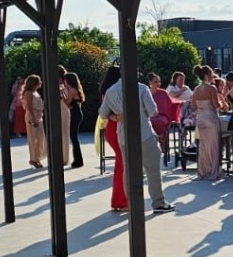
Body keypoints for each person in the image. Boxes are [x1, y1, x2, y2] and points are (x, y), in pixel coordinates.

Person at [98, 69, 173, 213]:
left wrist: (117, 117)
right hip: (144, 133)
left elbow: (102, 113)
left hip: (123, 135)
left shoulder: (110, 91)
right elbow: (153, 111)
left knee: (128, 170)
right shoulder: (142, 88)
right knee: (153, 170)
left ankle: (132, 203)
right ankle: (158, 203)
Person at [99, 66, 127, 211]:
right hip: (116, 128)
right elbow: (105, 113)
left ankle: (119, 200)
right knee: (123, 164)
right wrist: (117, 117)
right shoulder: (112, 92)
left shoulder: (108, 92)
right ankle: (121, 201)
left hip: (112, 128)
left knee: (120, 163)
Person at [192, 65, 224, 181]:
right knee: (213, 146)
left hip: (200, 119)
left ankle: (203, 171)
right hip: (210, 118)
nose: (213, 76)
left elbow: (193, 106)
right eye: (211, 74)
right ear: (206, 75)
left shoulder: (196, 89)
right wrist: (221, 103)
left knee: (203, 146)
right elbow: (216, 105)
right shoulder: (212, 88)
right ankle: (213, 172)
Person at [22, 74, 46, 169]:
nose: (40, 83)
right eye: (39, 81)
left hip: (39, 117)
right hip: (32, 118)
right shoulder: (28, 93)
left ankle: (37, 158)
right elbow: (29, 107)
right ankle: (34, 159)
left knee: (40, 138)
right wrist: (33, 118)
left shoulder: (35, 92)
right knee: (34, 139)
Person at [65, 72, 86, 169]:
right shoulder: (76, 89)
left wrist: (62, 96)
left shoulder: (72, 90)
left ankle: (78, 160)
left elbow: (67, 102)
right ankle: (78, 159)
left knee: (73, 137)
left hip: (75, 114)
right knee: (74, 137)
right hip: (77, 113)